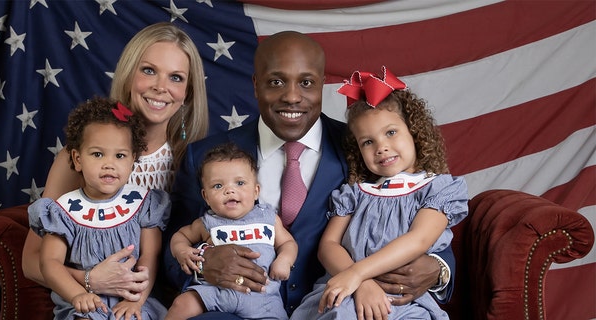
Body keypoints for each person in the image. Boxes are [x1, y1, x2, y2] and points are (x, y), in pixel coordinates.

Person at [166, 31, 456, 319]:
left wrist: (437, 268)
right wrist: (203, 262)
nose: (292, 97)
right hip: (237, 306)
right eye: (276, 82)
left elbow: (412, 218)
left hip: (343, 301)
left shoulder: (364, 147)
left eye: (306, 83)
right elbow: (167, 252)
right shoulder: (206, 156)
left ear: (321, 85)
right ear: (256, 86)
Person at [22, 22, 209, 302]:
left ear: (188, 93)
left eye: (176, 78)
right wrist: (91, 280)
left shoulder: (193, 159)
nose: (161, 87)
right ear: (128, 75)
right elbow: (31, 263)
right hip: (92, 302)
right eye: (149, 71)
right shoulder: (81, 158)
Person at [289, 68, 468, 320]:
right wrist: (358, 280)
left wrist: (359, 272)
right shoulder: (355, 193)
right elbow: (328, 245)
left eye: (391, 133)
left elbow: (419, 240)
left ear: (414, 133)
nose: (381, 147)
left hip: (404, 298)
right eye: (368, 142)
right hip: (348, 292)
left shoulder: (437, 189)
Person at [28, 97, 170, 319]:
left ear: (133, 160)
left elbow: (150, 257)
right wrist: (77, 295)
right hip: (86, 302)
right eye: (97, 154)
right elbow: (50, 262)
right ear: (77, 159)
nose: (109, 164)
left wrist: (137, 301)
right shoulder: (64, 211)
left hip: (132, 300)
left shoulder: (143, 203)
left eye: (120, 155)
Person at [165, 142, 298, 320]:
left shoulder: (268, 218)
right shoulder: (206, 222)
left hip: (261, 297)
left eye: (240, 183)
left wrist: (284, 260)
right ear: (206, 196)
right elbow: (180, 236)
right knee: (181, 304)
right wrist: (182, 251)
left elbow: (287, 243)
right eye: (218, 186)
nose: (230, 190)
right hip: (214, 290)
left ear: (256, 191)